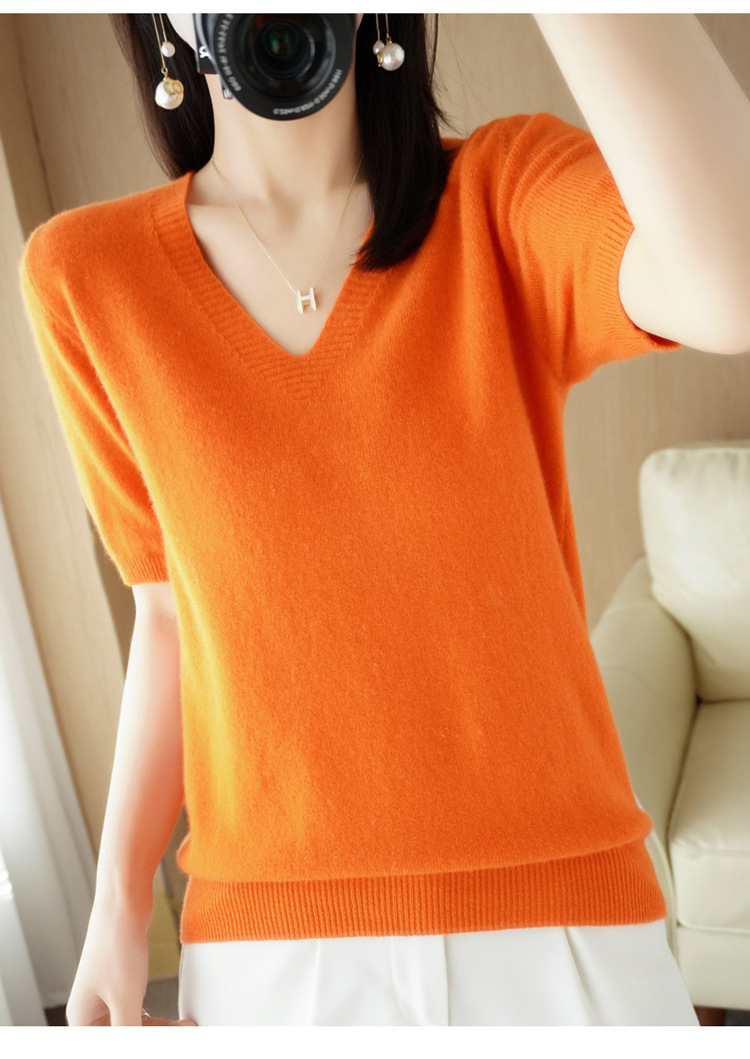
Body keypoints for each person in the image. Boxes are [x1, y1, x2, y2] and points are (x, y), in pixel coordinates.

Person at [26, 11, 749, 1027]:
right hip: (274, 954)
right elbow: (170, 614)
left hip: (566, 927)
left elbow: (730, 282)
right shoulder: (87, 277)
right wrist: (116, 904)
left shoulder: (501, 197)